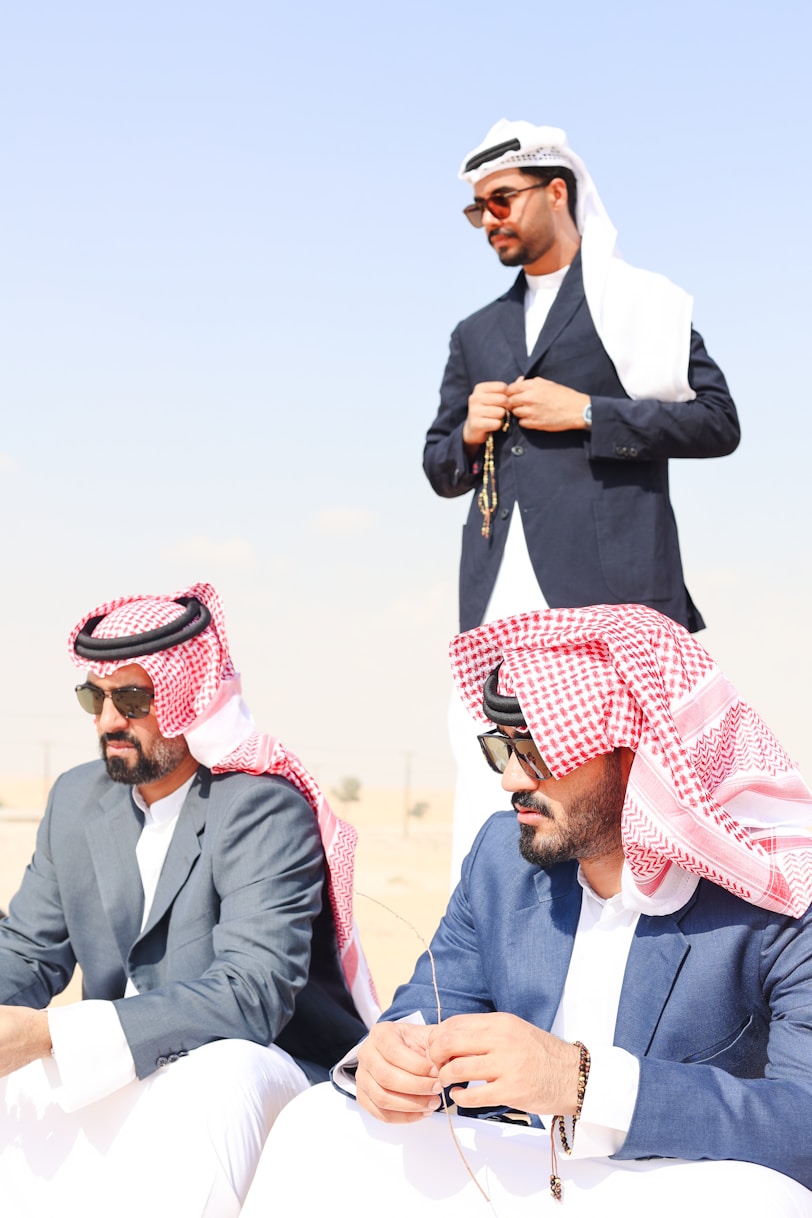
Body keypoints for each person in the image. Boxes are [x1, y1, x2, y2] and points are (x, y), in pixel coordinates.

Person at [242, 604, 812, 1218]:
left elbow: (802, 1124)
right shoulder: (501, 857)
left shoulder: (775, 897)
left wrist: (582, 1083)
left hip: (661, 1187)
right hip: (508, 1171)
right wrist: (387, 1060)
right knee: (320, 1122)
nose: (511, 778)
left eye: (538, 748)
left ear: (635, 755)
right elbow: (427, 1008)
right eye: (502, 746)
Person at [423, 120, 741, 874]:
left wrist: (593, 414)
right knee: (493, 774)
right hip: (499, 596)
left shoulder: (641, 304)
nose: (488, 220)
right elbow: (439, 468)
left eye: (500, 201)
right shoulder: (476, 332)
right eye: (477, 210)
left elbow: (718, 421)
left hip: (612, 589)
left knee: (623, 785)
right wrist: (467, 433)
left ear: (555, 190)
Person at [0, 583, 377, 1218]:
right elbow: (28, 953)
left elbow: (251, 994)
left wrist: (51, 1035)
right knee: (21, 1080)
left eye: (134, 698)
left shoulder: (259, 804)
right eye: (95, 696)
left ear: (189, 700)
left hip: (262, 1072)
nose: (108, 721)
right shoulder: (75, 798)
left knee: (215, 1078)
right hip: (120, 1062)